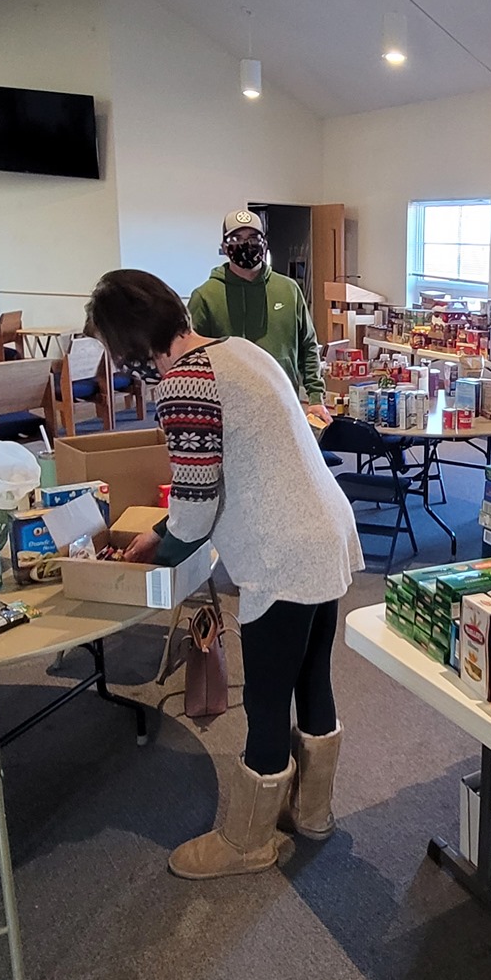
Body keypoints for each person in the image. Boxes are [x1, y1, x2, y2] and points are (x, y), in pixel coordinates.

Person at [88, 269, 364, 880]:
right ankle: (313, 814)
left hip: (283, 553)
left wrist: (147, 556)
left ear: (129, 345)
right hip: (327, 532)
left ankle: (248, 842)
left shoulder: (183, 384)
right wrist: (161, 530)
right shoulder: (239, 350)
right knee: (311, 678)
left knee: (265, 699)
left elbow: (193, 511)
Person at [189, 209, 332, 422]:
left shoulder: (289, 290)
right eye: (236, 238)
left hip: (284, 400)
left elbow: (308, 346)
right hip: (229, 407)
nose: (246, 244)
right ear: (224, 246)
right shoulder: (205, 296)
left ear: (264, 243)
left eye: (254, 237)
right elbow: (191, 357)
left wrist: (315, 397)